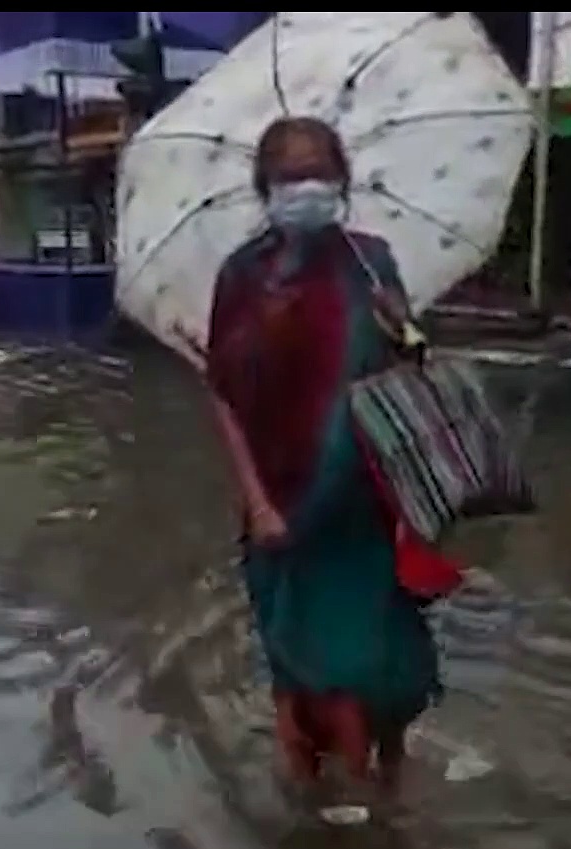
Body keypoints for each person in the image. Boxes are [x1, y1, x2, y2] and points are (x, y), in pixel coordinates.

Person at [191, 116, 463, 804]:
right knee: (298, 662)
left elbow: (409, 373)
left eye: (319, 173)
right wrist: (258, 503)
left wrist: (403, 329)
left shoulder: (369, 261)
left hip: (365, 499)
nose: (307, 188)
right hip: (280, 505)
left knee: (379, 661)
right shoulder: (242, 276)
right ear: (266, 188)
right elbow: (223, 394)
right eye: (291, 176)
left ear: (342, 180)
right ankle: (314, 803)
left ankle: (383, 793)